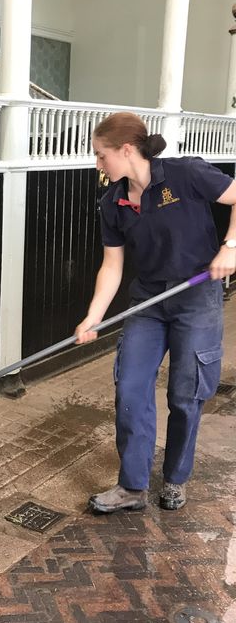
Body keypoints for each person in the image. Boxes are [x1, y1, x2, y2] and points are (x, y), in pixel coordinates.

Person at [75, 112, 236, 513]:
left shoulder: (185, 175)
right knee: (130, 388)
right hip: (147, 304)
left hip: (196, 298)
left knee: (185, 394)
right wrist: (93, 316)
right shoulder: (112, 202)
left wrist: (230, 247)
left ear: (126, 150)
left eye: (101, 155)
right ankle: (132, 487)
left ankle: (176, 478)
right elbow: (112, 267)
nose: (98, 164)